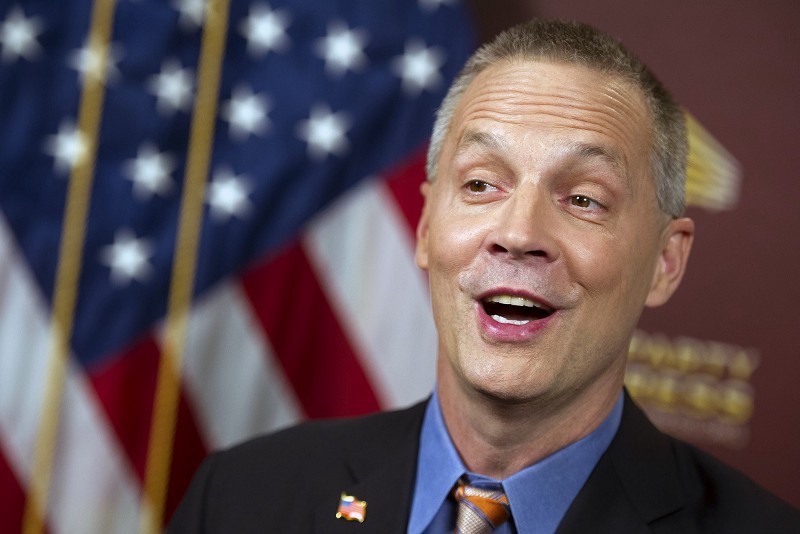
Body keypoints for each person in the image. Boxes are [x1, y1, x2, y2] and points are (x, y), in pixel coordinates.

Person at [168, 19, 800, 533]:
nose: (519, 232)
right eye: (480, 184)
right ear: (422, 230)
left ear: (666, 262)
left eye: (583, 199)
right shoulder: (242, 498)